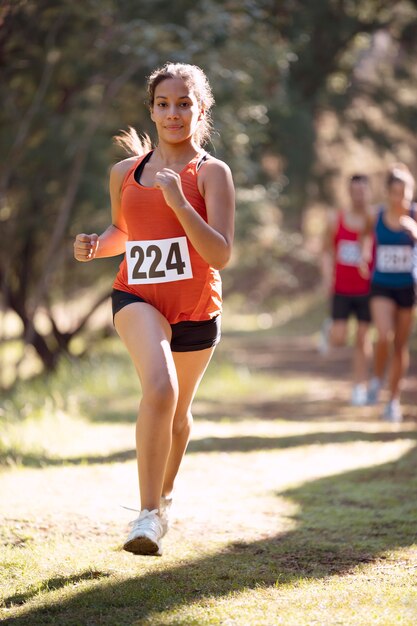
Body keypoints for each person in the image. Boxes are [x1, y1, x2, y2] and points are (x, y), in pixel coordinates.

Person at [73, 63, 235, 555]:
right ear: (151, 110)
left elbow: (221, 253)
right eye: (163, 104)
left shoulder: (211, 173)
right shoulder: (125, 172)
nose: (173, 113)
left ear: (200, 110)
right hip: (136, 297)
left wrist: (181, 202)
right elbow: (125, 234)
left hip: (196, 310)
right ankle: (145, 519)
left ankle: (163, 501)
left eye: (184, 104)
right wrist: (95, 246)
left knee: (179, 415)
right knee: (159, 390)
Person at [362, 163, 417, 422]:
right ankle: (376, 378)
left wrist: (414, 232)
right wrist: (364, 252)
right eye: (396, 192)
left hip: (408, 287)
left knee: (400, 345)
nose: (400, 198)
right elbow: (365, 234)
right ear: (388, 193)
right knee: (384, 334)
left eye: (405, 193)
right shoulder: (378, 215)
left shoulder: (415, 216)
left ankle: (393, 401)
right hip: (382, 284)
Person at [319, 174, 373, 406]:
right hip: (341, 288)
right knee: (340, 338)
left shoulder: (374, 221)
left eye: (363, 190)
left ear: (369, 192)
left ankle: (360, 387)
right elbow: (325, 251)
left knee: (363, 338)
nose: (358, 195)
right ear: (349, 192)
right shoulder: (336, 219)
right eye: (355, 191)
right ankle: (329, 330)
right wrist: (325, 278)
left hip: (368, 290)